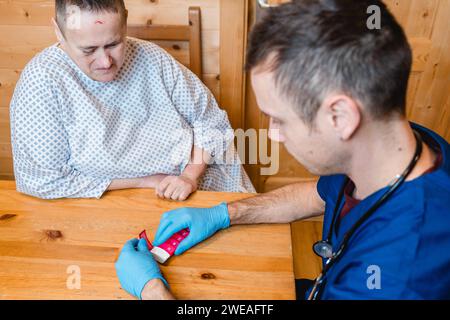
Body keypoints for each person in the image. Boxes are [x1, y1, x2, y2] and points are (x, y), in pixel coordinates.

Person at [115, 0, 450, 300]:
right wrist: (224, 214)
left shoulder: (397, 278)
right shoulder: (401, 143)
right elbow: (317, 196)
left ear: (342, 116)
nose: (273, 135)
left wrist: (153, 291)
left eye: (279, 120)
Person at [10, 0, 254, 201]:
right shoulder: (42, 80)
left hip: (195, 183)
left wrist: (190, 176)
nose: (105, 62)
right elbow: (41, 180)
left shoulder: (152, 58)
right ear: (58, 32)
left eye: (114, 44)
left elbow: (211, 121)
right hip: (106, 202)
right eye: (88, 50)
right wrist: (145, 182)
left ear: (125, 22)